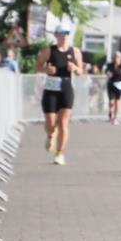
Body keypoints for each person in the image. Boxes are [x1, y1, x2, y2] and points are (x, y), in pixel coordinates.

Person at [35, 25, 82, 166]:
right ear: (56, 35)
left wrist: (74, 68)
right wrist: (46, 69)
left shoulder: (75, 52)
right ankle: (50, 135)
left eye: (67, 33)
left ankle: (60, 153)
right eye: (61, 33)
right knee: (50, 123)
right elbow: (37, 66)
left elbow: (81, 71)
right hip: (51, 89)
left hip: (66, 88)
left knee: (63, 122)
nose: (64, 36)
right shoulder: (49, 51)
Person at [105, 51, 121, 125]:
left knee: (117, 102)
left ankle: (115, 117)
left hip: (119, 85)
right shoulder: (110, 65)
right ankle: (110, 111)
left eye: (118, 57)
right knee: (111, 101)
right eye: (115, 56)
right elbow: (106, 71)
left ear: (120, 58)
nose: (116, 58)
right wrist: (108, 74)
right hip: (111, 84)